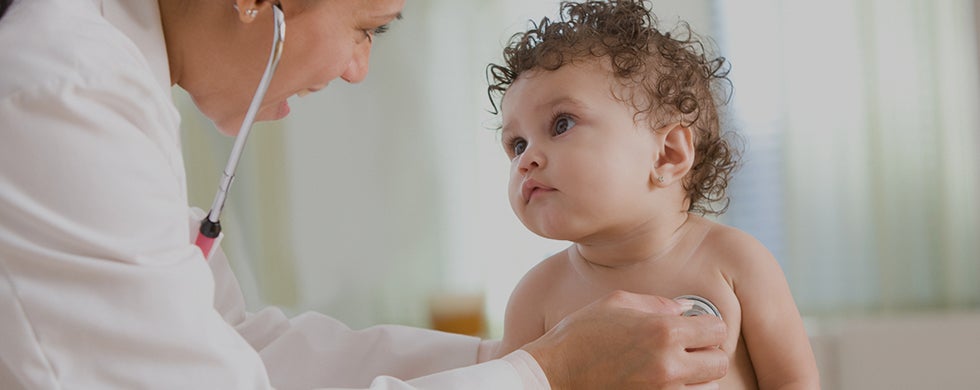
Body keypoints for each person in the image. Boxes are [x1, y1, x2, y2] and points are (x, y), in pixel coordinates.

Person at [0, 0, 729, 389]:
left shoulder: (109, 80)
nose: (356, 68)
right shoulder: (67, 91)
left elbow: (241, 349)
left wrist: (515, 358)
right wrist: (547, 370)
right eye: (364, 28)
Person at [486, 0, 820, 388]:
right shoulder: (535, 297)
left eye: (561, 124)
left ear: (668, 154)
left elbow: (793, 382)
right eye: (517, 144)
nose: (527, 159)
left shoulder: (734, 262)